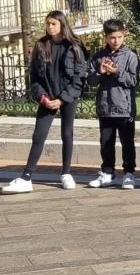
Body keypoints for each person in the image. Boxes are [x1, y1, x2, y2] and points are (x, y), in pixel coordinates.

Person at [2, 11, 86, 194]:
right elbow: (34, 79)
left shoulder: (74, 46)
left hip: (67, 97)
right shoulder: (41, 46)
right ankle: (26, 177)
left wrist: (63, 99)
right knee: (38, 135)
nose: (50, 27)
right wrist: (44, 97)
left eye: (53, 24)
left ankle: (66, 173)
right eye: (48, 23)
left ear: (62, 25)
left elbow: (80, 77)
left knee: (67, 133)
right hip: (47, 98)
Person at [87, 19, 140, 190]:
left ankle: (129, 173)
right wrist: (101, 73)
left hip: (124, 108)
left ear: (124, 36)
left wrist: (117, 72)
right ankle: (107, 172)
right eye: (112, 37)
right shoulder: (98, 56)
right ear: (106, 37)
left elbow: (133, 81)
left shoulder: (130, 56)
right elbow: (90, 81)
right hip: (105, 107)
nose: (116, 41)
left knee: (127, 142)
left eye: (119, 37)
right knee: (105, 142)